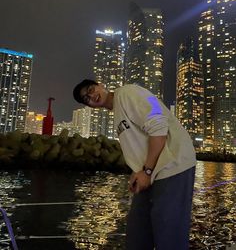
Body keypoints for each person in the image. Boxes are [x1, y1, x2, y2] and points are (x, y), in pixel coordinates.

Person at [73, 79, 196, 250]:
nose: (92, 96)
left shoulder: (128, 92)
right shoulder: (117, 112)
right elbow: (138, 144)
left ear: (101, 85)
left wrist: (146, 170)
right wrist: (139, 171)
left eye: (91, 89)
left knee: (169, 234)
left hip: (172, 165)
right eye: (86, 98)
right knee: (137, 233)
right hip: (150, 172)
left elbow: (158, 126)